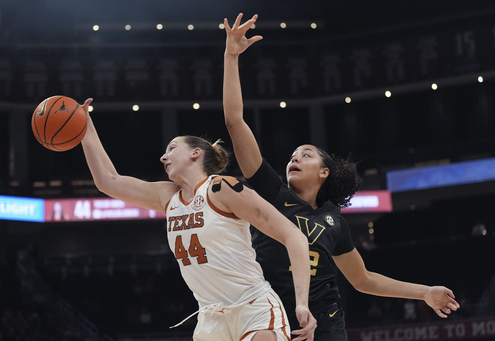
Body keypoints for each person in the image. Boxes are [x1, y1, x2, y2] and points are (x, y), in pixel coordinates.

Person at [223, 13, 460, 340]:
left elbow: (363, 281)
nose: (295, 156)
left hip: (326, 321)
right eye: (293, 153)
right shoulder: (270, 192)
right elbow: (235, 122)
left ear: (324, 172)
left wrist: (423, 293)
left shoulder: (336, 222)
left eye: (306, 153)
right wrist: (231, 56)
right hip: (270, 315)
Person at [77, 98, 317, 341]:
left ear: (195, 153)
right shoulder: (167, 196)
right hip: (210, 318)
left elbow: (294, 235)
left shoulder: (221, 188)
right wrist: (84, 125)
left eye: (171, 148)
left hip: (252, 306)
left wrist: (302, 303)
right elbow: (108, 181)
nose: (163, 157)